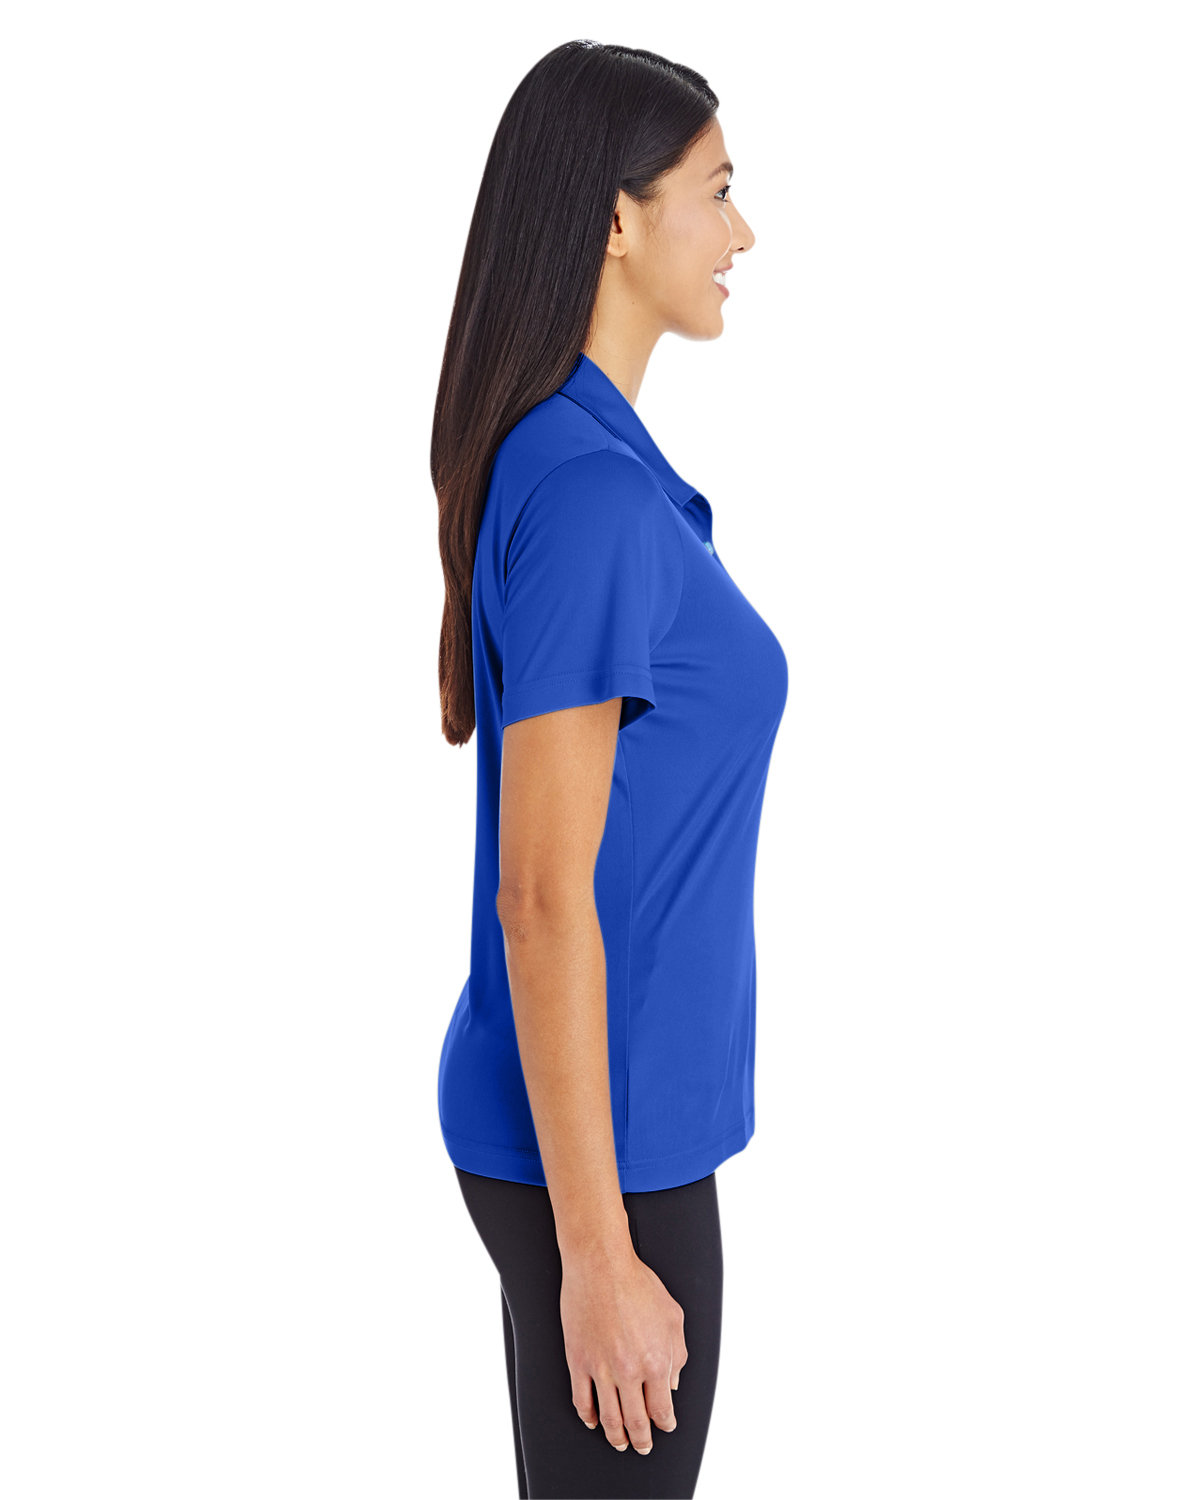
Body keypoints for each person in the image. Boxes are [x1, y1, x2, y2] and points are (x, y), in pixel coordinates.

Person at [430, 40, 786, 1499]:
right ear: (619, 220)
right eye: (718, 190)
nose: (743, 233)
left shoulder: (578, 455)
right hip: (607, 1161)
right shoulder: (588, 493)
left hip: (608, 1130)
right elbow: (538, 892)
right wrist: (597, 1254)